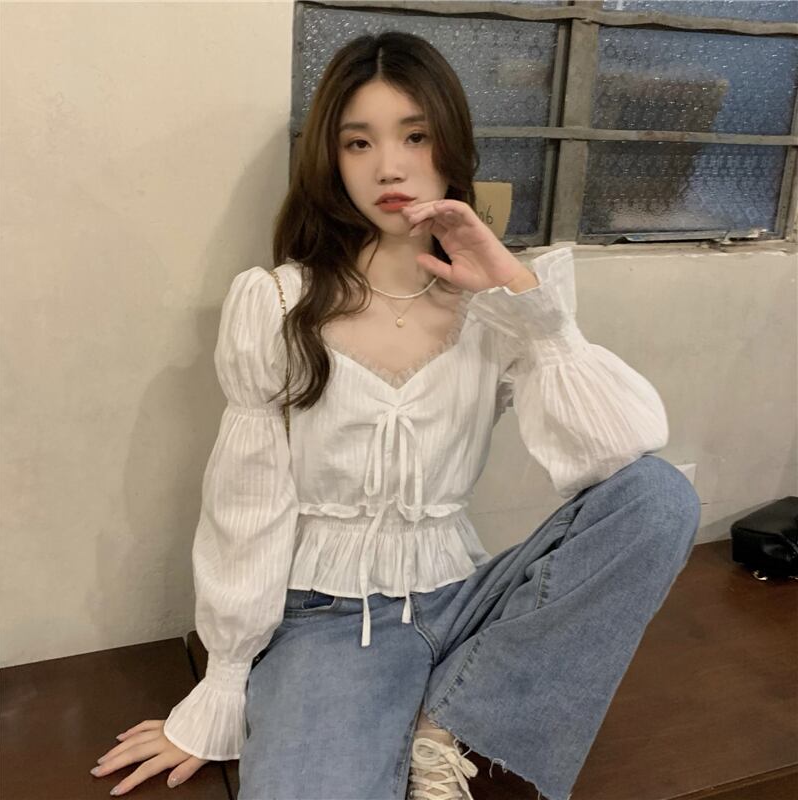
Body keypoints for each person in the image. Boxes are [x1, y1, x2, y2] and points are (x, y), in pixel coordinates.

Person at [89, 30, 701, 800]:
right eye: (359, 142)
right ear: (331, 160)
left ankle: (447, 720)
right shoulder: (278, 305)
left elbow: (621, 452)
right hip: (332, 622)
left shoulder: (494, 312)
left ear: (451, 146)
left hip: (469, 602)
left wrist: (521, 296)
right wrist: (223, 684)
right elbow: (246, 505)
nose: (389, 166)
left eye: (415, 135)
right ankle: (434, 716)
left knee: (660, 497)